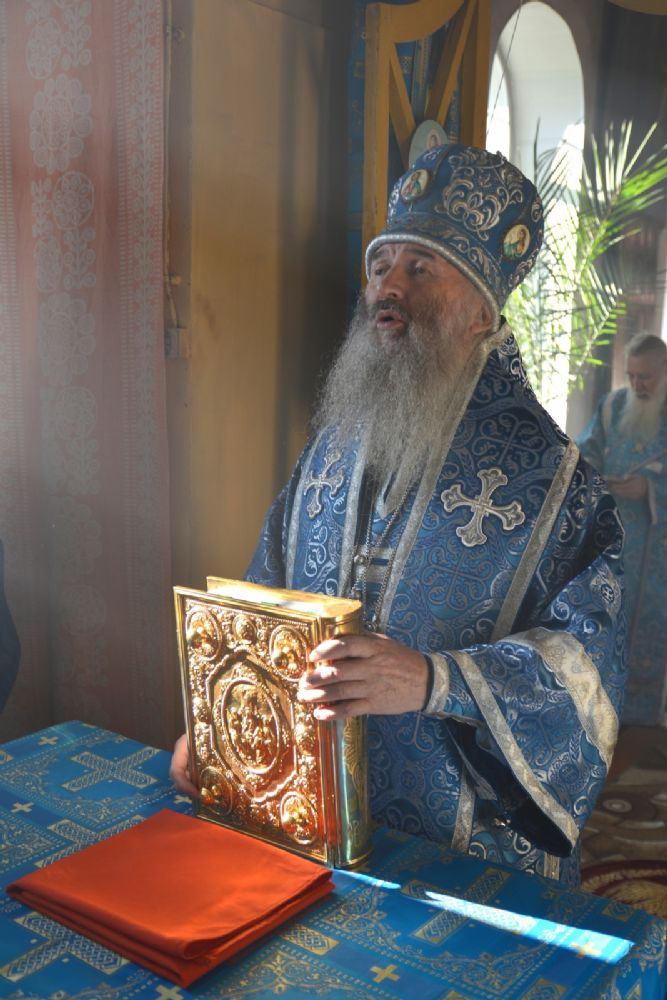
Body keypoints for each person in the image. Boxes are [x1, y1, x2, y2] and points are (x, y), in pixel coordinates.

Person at [171, 144, 626, 886]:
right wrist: (215, 726)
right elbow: (264, 599)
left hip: (462, 852)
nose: (389, 285)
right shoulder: (330, 450)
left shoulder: (554, 482)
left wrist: (434, 681)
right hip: (305, 810)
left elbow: (587, 672)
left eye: (420, 268)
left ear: (481, 312)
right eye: (381, 265)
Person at [578, 332, 667, 726]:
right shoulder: (613, 407)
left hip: (656, 555)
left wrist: (650, 489)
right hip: (609, 546)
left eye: (646, 377)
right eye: (631, 376)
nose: (637, 385)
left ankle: (644, 732)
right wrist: (596, 477)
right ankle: (600, 725)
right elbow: (585, 453)